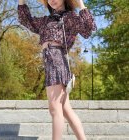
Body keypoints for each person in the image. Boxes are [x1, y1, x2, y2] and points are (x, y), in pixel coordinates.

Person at [17, 0, 97, 140]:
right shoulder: (46, 20)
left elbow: (89, 29)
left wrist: (81, 4)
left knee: (55, 108)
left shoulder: (69, 17)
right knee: (65, 109)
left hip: (57, 60)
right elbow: (25, 19)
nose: (52, 0)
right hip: (50, 61)